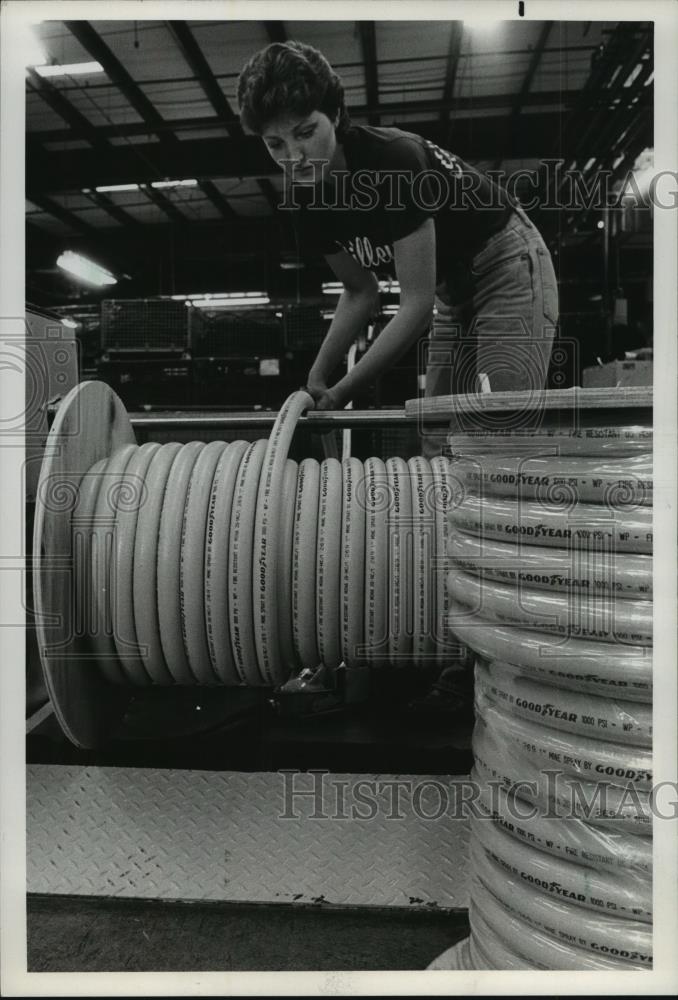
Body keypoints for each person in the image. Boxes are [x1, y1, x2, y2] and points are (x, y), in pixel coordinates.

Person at [237, 40, 559, 713]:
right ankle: (456, 640)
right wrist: (312, 384)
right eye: (274, 146)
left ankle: (512, 650)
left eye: (306, 133)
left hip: (505, 263)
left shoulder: (393, 161)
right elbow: (359, 294)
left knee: (497, 442)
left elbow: (405, 305)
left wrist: (344, 392)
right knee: (438, 452)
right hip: (450, 292)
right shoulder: (308, 197)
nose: (295, 157)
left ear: (336, 115)